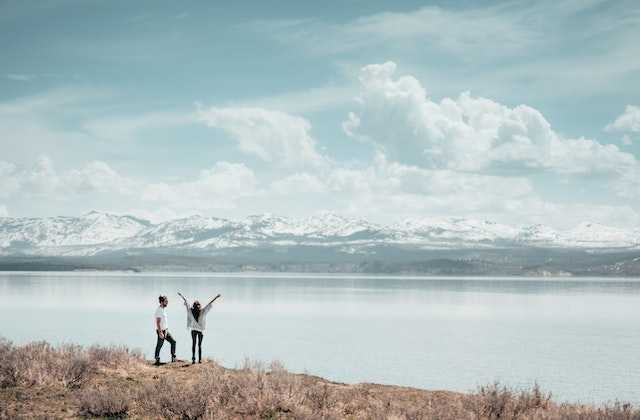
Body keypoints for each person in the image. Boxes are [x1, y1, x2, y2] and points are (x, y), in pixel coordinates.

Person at [177, 291, 221, 364]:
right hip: (199, 331)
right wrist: (216, 297)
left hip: (194, 330)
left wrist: (182, 296)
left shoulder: (192, 311)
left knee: (194, 344)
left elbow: (187, 303)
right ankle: (199, 360)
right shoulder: (202, 311)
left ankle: (194, 359)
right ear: (199, 306)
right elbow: (209, 304)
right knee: (199, 345)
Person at [154, 295, 177, 366]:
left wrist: (166, 330)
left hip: (166, 330)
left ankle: (173, 357)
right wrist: (160, 332)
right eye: (165, 301)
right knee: (159, 345)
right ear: (161, 302)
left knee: (173, 342)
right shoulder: (159, 310)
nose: (167, 303)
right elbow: (157, 322)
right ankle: (157, 359)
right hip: (161, 331)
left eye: (167, 301)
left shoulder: (163, 309)